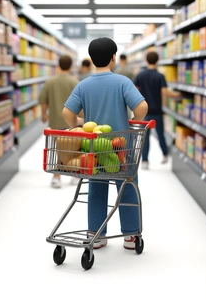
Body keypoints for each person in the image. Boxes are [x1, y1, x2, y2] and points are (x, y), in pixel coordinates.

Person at [62, 37, 148, 250]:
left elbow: (67, 112)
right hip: (121, 147)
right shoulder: (122, 82)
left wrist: (79, 126)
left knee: (96, 188)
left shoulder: (83, 85)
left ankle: (97, 234)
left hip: (94, 148)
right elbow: (142, 107)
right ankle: (130, 235)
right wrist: (133, 122)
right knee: (127, 186)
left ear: (91, 59)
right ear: (113, 57)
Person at [134, 51, 181, 170]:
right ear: (157, 60)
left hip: (144, 111)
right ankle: (165, 155)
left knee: (145, 137)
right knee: (161, 134)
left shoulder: (140, 75)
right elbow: (164, 92)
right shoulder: (160, 76)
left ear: (146, 60)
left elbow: (135, 90)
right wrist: (177, 95)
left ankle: (144, 161)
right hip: (157, 111)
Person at [39, 55, 79, 188]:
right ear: (71, 66)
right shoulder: (74, 82)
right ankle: (74, 173)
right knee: (74, 148)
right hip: (72, 121)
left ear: (59, 65)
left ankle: (56, 176)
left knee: (57, 149)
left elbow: (43, 100)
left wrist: (44, 114)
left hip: (55, 120)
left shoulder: (50, 82)